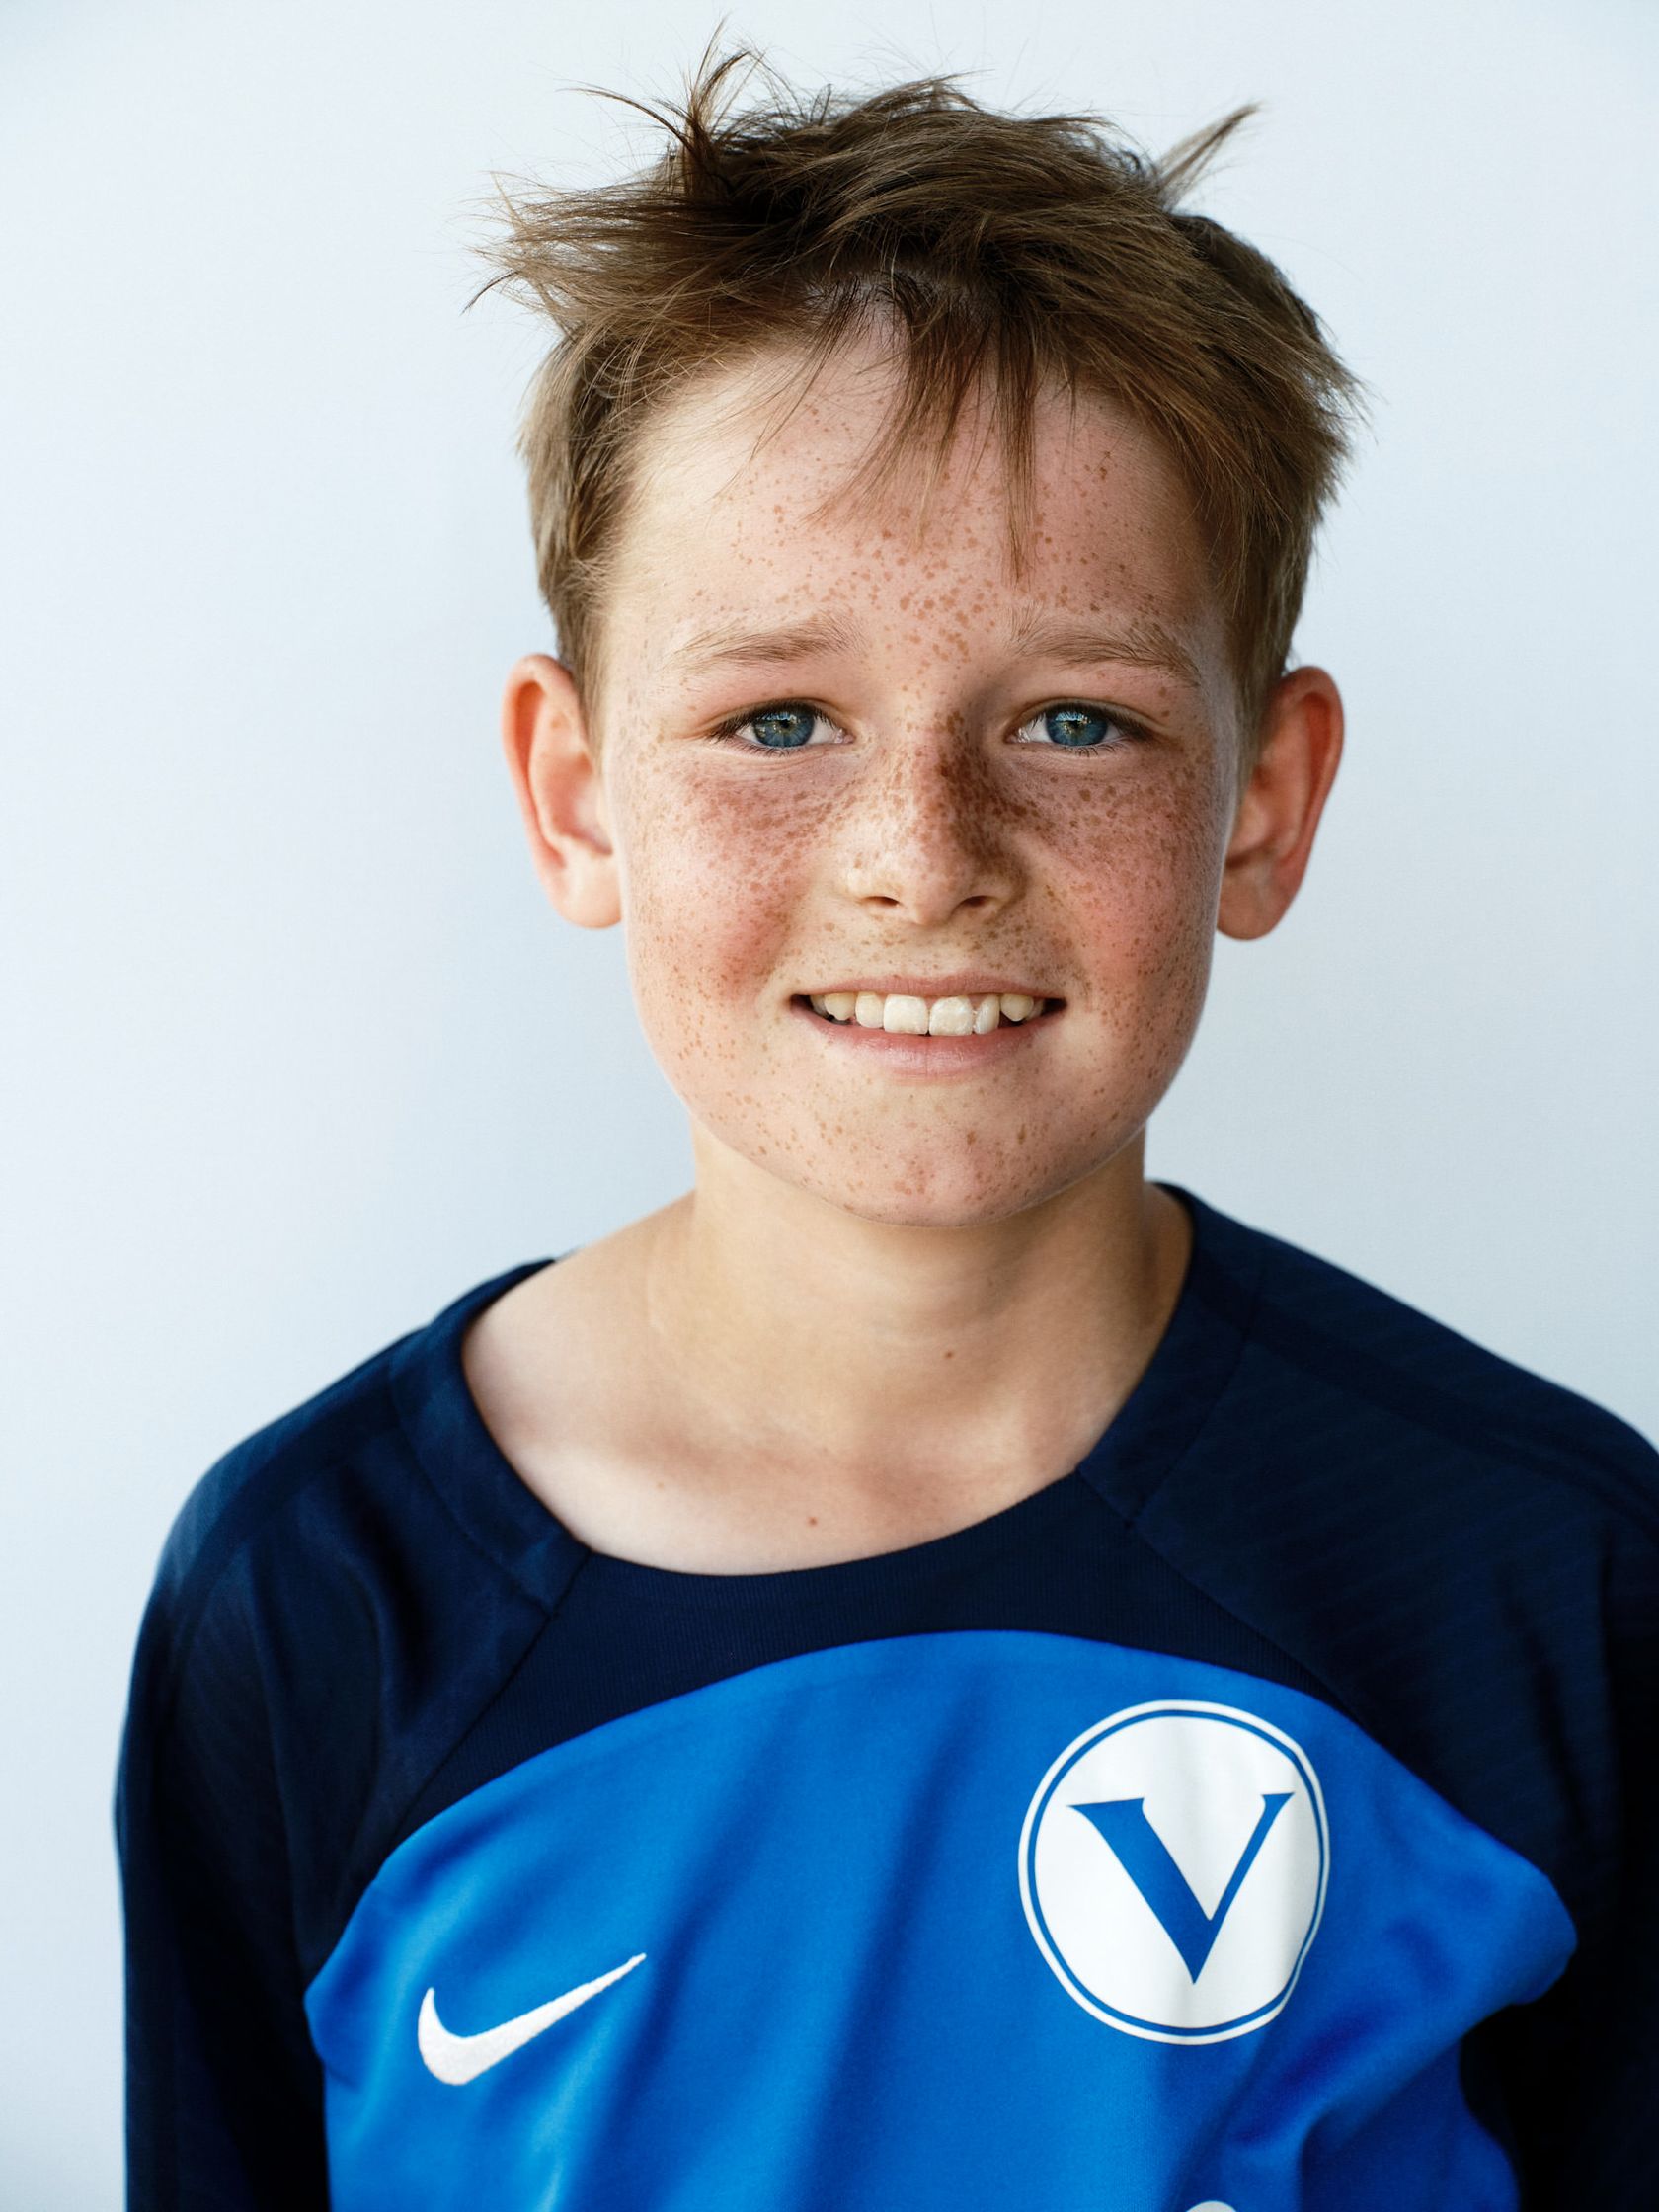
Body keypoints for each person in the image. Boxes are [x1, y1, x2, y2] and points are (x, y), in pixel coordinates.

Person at [117, 47, 1658, 2212]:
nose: (921, 855)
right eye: (778, 720)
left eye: (1074, 719)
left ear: (1266, 802)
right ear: (576, 795)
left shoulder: (1549, 1583)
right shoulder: (313, 1593)